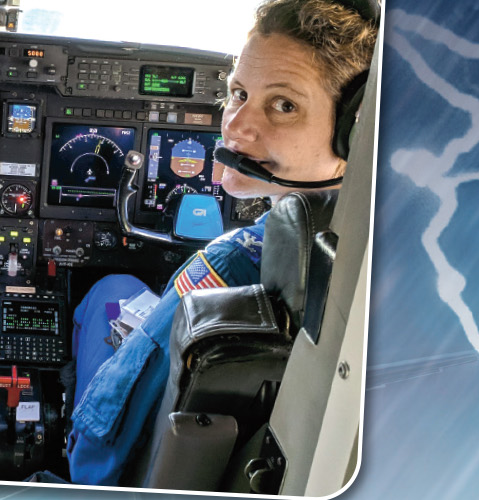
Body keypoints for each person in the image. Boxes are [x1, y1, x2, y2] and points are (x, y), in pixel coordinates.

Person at [65, 0, 377, 486]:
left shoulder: (231, 265)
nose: (234, 126)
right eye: (239, 93)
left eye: (284, 104)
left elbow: (100, 445)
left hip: (119, 473)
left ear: (353, 130)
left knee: (109, 287)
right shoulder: (364, 251)